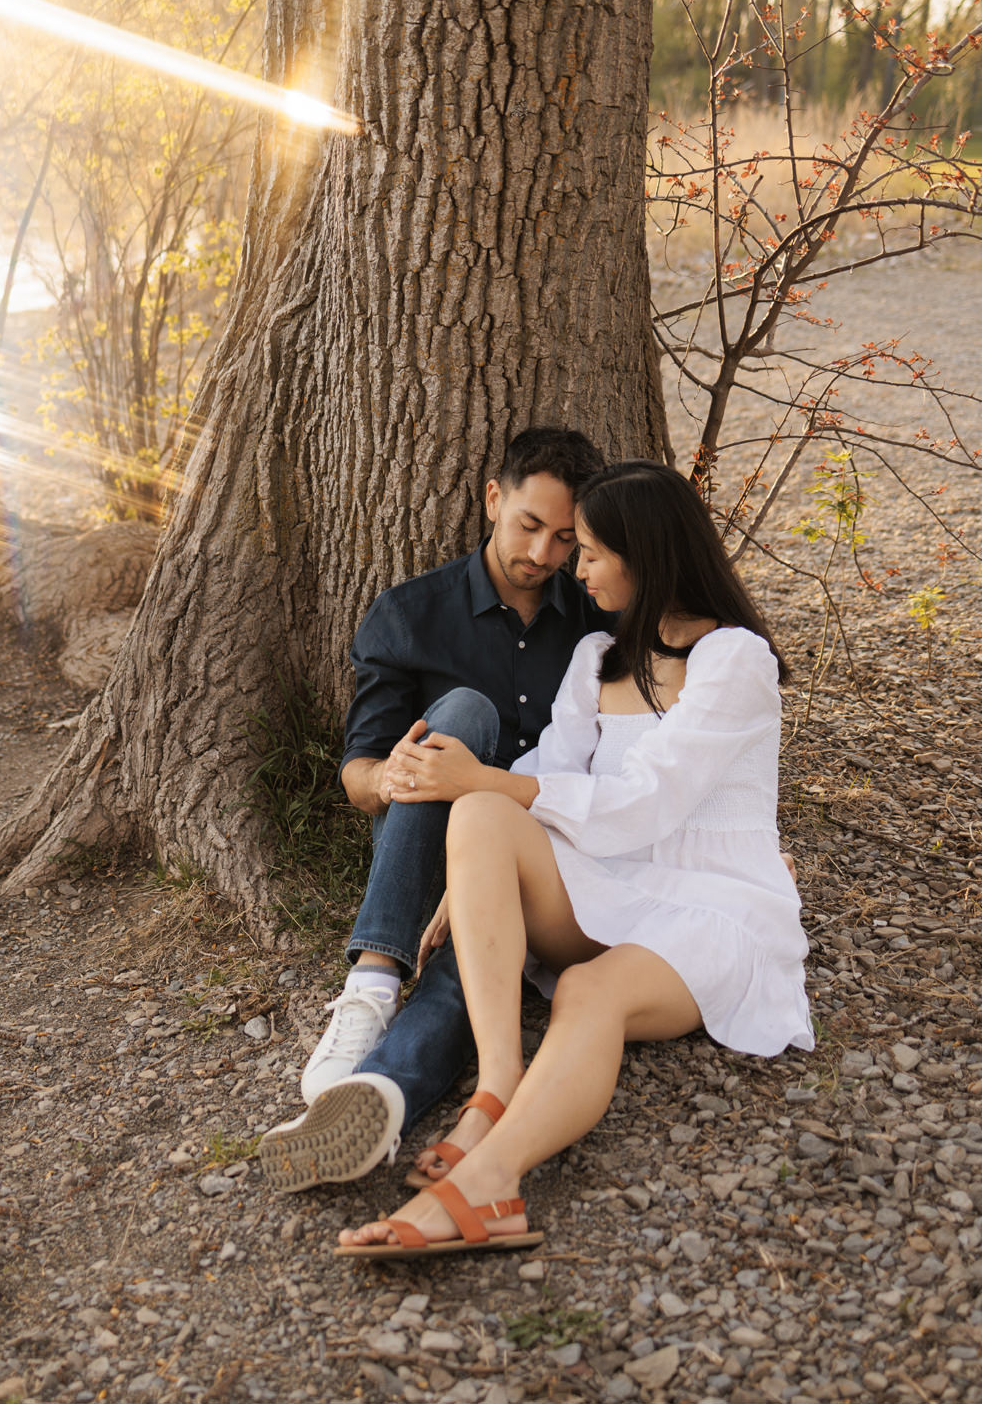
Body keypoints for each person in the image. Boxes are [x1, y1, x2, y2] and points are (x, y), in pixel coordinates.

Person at [333, 459, 813, 1259]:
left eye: (589, 550)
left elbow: (649, 803)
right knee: (484, 811)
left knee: (589, 987)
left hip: (712, 906)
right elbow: (544, 777)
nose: (573, 566)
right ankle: (496, 1087)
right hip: (609, 885)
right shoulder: (597, 655)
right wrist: (474, 864)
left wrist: (483, 783)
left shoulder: (735, 660)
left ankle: (493, 1179)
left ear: (645, 551)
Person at [259, 427, 614, 1193]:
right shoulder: (410, 612)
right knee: (463, 712)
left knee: (471, 978)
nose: (545, 554)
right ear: (493, 498)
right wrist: (400, 776)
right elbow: (357, 771)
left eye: (564, 538)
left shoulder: (594, 626)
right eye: (529, 525)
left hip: (528, 856)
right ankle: (375, 979)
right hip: (422, 844)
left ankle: (379, 1098)